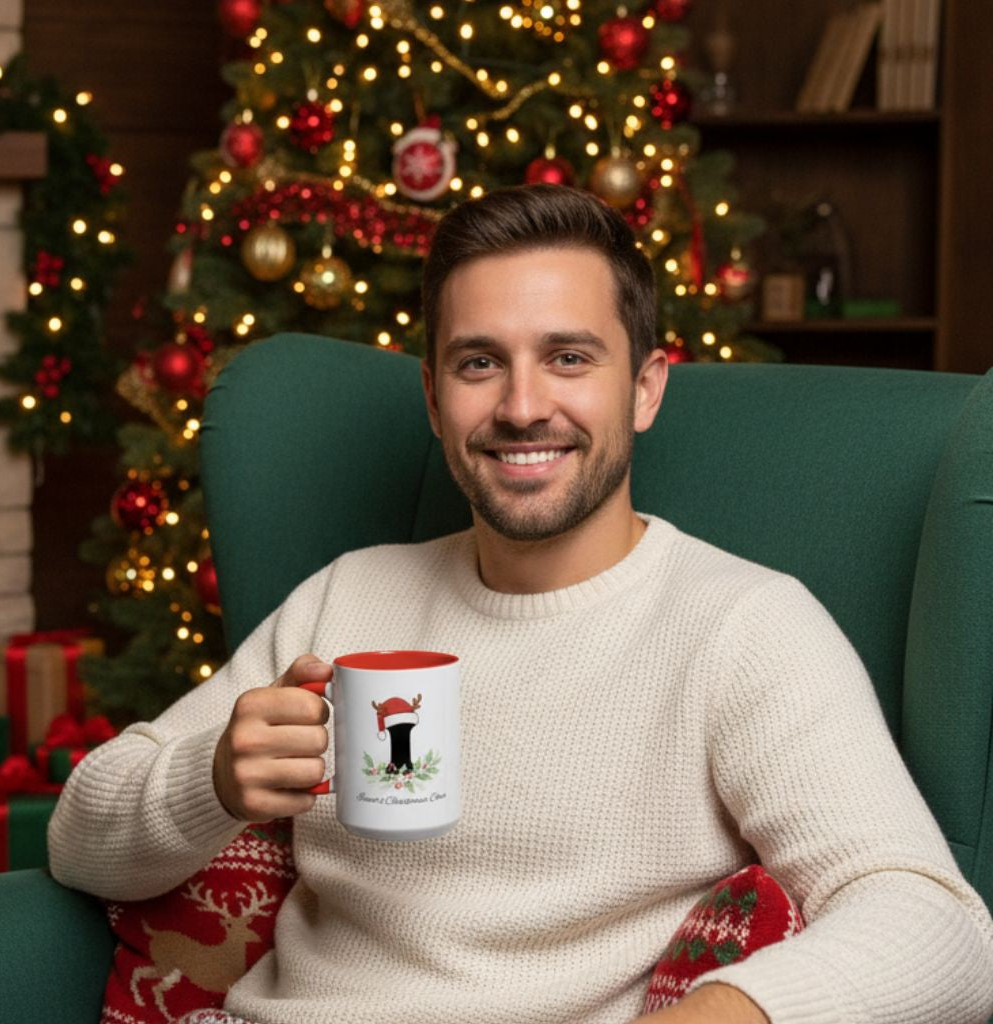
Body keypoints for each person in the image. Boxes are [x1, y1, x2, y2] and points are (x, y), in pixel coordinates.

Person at [49, 184, 993, 1024]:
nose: (522, 406)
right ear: (431, 396)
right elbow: (79, 840)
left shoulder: (743, 628)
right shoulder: (349, 596)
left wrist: (729, 1011)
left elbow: (940, 927)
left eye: (570, 357)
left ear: (647, 388)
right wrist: (209, 783)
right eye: (478, 363)